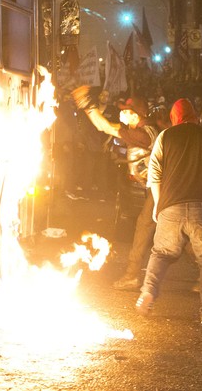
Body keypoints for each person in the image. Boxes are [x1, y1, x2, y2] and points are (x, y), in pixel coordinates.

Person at [135, 98, 202, 326]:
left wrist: (159, 206)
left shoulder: (165, 137)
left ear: (174, 117)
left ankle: (148, 292)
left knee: (161, 253)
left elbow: (154, 174)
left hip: (170, 207)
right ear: (196, 115)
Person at [71, 86, 160, 290]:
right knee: (181, 230)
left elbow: (105, 127)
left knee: (143, 228)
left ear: (136, 114)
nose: (122, 114)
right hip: (158, 188)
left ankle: (131, 276)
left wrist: (88, 106)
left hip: (160, 190)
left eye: (126, 111)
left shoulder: (142, 134)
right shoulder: (146, 131)